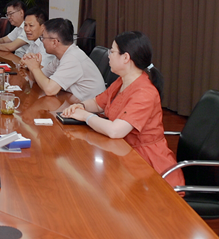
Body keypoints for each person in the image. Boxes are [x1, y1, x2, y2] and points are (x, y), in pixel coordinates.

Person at [61, 31, 185, 188]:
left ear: (126, 57)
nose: (109, 56)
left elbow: (115, 131)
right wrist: (82, 106)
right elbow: (98, 103)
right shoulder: (122, 81)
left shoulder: (145, 92)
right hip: (121, 152)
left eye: (112, 51)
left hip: (147, 167)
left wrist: (86, 116)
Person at [21, 18, 105, 102]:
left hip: (90, 108)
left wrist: (35, 68)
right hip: (72, 102)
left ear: (54, 42)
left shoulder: (73, 58)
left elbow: (50, 90)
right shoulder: (61, 56)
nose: (42, 41)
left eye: (43, 37)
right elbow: (37, 78)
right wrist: (34, 64)